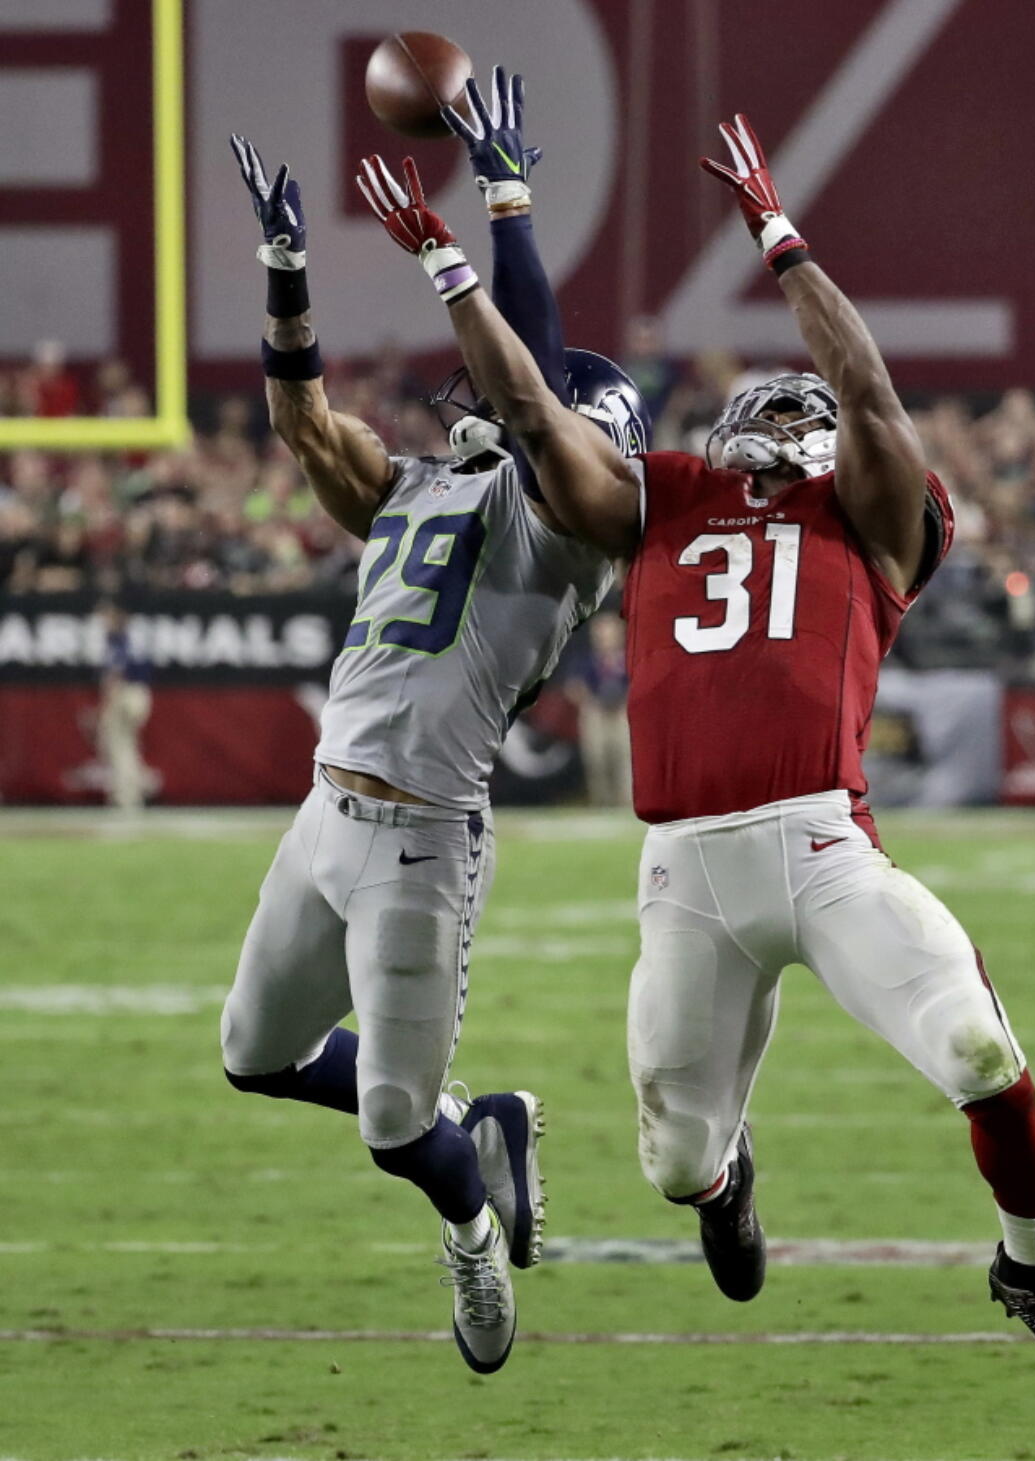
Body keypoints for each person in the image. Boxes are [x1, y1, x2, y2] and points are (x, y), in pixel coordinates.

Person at [377, 113, 1035, 1403]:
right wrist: (454, 261)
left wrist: (777, 236)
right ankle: (726, 1186)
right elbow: (529, 411)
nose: (783, 419)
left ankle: (1032, 1271)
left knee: (979, 1059)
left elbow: (874, 396)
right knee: (674, 1164)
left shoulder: (875, 521)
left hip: (826, 849)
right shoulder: (663, 494)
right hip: (682, 871)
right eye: (766, 403)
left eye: (805, 406)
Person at [221, 69, 645, 1375]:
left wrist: (491, 216)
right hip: (325, 811)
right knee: (251, 1053)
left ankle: (469, 1228)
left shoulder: (584, 527)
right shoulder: (414, 486)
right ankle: (492, 1118)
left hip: (419, 843)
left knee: (394, 1126)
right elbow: (300, 420)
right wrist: (285, 269)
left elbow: (527, 404)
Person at [564, 612, 632, 807]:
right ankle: (602, 802)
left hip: (621, 712)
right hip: (596, 712)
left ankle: (626, 802)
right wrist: (589, 700)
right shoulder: (585, 659)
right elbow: (573, 687)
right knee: (597, 760)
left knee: (625, 759)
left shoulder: (628, 658)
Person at [97, 601, 153, 811]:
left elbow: (116, 672)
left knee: (118, 746)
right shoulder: (136, 638)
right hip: (142, 694)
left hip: (126, 693)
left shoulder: (117, 639)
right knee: (128, 745)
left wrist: (107, 700)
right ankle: (136, 789)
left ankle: (127, 795)